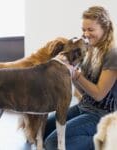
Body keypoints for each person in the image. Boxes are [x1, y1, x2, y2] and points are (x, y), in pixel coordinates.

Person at [44, 6, 117, 150]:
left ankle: (107, 140)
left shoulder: (113, 54)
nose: (86, 34)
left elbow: (98, 94)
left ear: (105, 28)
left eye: (91, 30)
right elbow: (84, 92)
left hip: (102, 115)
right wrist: (68, 71)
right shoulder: (91, 50)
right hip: (84, 107)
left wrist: (76, 74)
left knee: (52, 143)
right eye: (83, 30)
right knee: (43, 130)